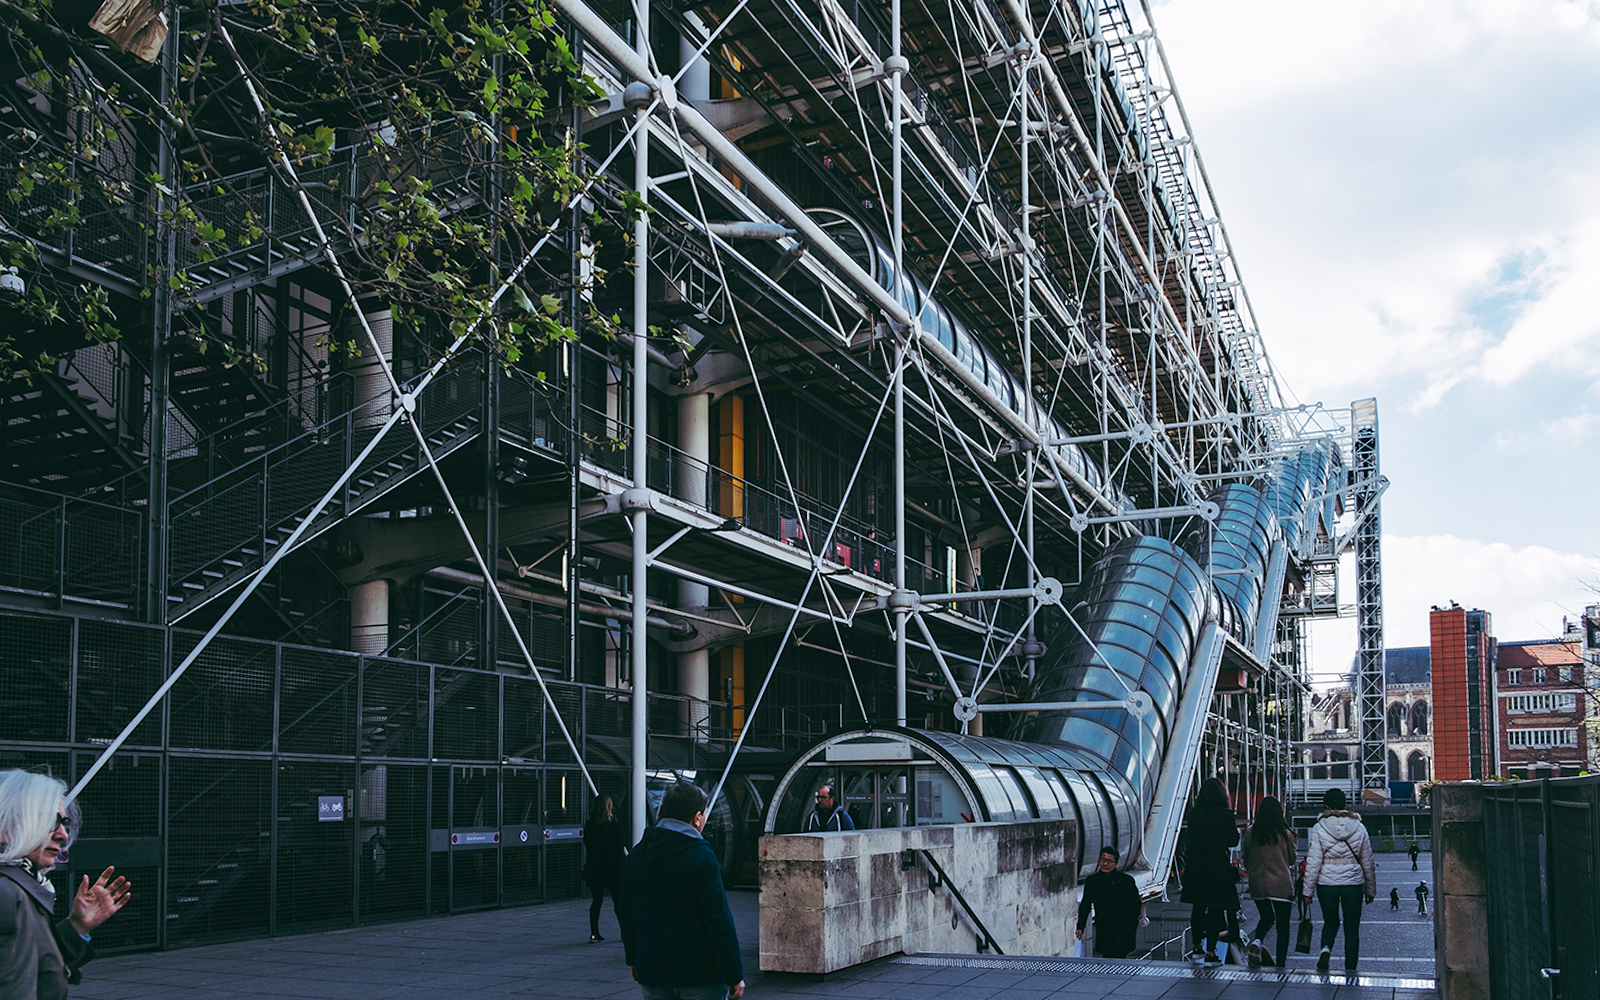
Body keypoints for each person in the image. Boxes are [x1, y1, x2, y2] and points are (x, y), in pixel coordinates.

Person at [1, 769, 133, 997]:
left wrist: (77, 926)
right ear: (6, 822)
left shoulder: (22, 883)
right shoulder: (7, 891)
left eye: (63, 822)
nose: (63, 835)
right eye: (50, 821)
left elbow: (35, 970)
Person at [619, 783, 744, 1000]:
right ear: (697, 818)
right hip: (699, 974)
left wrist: (634, 959)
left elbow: (627, 913)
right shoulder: (700, 856)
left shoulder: (637, 856)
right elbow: (718, 919)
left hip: (653, 970)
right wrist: (734, 974)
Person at [1302, 787, 1376, 974]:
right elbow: (1368, 861)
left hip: (1327, 884)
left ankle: (1326, 949)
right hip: (1353, 884)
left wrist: (1307, 891)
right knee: (1352, 929)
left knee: (1330, 921)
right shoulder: (1359, 827)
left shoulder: (1319, 828)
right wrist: (1370, 889)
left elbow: (1313, 861)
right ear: (1345, 805)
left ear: (1326, 805)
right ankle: (1350, 968)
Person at [1180, 777, 1240, 966]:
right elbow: (1233, 840)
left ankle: (1196, 945)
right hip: (1217, 864)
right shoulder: (1225, 814)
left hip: (1197, 863)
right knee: (1215, 907)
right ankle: (1210, 951)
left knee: (1198, 906)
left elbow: (1191, 838)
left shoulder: (1194, 814)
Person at [1242, 795, 1296, 969]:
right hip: (1281, 884)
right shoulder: (1285, 834)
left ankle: (1257, 941)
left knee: (1266, 917)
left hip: (1258, 883)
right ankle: (1281, 964)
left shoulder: (1251, 831)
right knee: (1283, 926)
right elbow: (1292, 858)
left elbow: (1246, 857)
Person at [1076, 846, 1142, 958]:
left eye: (1109, 861)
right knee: (1107, 957)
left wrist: (1132, 925)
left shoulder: (1126, 881)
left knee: (1120, 959)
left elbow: (1135, 904)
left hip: (1123, 929)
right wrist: (1080, 926)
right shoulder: (1092, 881)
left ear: (1116, 863)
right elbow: (1085, 904)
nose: (1105, 864)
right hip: (1104, 928)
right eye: (1103, 860)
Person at [583, 795, 627, 943]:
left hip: (595, 868)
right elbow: (620, 846)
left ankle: (594, 932)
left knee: (597, 900)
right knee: (617, 900)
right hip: (612, 868)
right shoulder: (612, 826)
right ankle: (624, 932)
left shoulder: (589, 825)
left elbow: (588, 845)